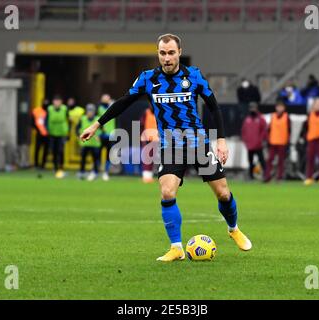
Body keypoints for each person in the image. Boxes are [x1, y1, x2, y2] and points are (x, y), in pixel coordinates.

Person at [80, 33, 252, 262]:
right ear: (158, 54)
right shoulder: (147, 79)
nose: (167, 58)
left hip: (198, 143)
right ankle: (177, 247)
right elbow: (123, 102)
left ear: (179, 52)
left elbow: (214, 108)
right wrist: (96, 124)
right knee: (167, 192)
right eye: (163, 53)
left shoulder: (194, 76)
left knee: (222, 193)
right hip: (171, 146)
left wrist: (220, 140)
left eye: (171, 52)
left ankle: (233, 229)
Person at [264, 100, 290, 182]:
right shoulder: (272, 116)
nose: (279, 108)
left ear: (284, 108)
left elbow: (289, 130)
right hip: (273, 142)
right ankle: (267, 176)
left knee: (281, 161)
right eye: (278, 107)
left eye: (281, 107)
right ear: (276, 108)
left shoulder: (286, 117)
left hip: (282, 142)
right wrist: (268, 139)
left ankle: (280, 177)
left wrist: (288, 141)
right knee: (270, 160)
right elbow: (268, 129)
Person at [241, 102, 267, 180]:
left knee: (262, 161)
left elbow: (264, 130)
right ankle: (251, 176)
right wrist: (246, 140)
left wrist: (261, 140)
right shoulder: (247, 119)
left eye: (254, 108)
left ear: (256, 108)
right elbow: (243, 131)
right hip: (250, 145)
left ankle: (266, 175)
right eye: (251, 108)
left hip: (258, 144)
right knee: (250, 161)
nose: (252, 109)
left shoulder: (260, 119)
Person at [46, 95, 69, 179]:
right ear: (53, 102)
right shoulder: (50, 109)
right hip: (52, 133)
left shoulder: (65, 109)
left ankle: (61, 168)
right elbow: (46, 120)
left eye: (58, 101)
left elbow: (68, 120)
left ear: (61, 102)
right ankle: (55, 168)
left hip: (62, 133)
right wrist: (47, 130)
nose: (57, 103)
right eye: (55, 101)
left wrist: (67, 133)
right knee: (54, 151)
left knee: (60, 151)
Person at [77, 104, 101, 181]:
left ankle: (95, 172)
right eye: (89, 111)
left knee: (96, 159)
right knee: (83, 158)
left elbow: (103, 130)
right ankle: (82, 172)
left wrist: (100, 136)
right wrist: (79, 135)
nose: (90, 112)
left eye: (91, 111)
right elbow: (77, 129)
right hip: (85, 143)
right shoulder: (82, 119)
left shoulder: (98, 119)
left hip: (95, 144)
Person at [97, 94, 116, 181]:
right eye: (104, 98)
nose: (106, 99)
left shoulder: (113, 108)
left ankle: (106, 172)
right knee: (98, 153)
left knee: (109, 154)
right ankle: (96, 171)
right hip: (101, 134)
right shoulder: (99, 108)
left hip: (111, 134)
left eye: (107, 98)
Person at [140, 105, 159, 183]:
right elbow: (141, 124)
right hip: (148, 138)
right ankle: (146, 176)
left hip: (157, 138)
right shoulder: (147, 112)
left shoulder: (159, 112)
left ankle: (150, 176)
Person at [31, 102, 49, 169]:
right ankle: (36, 164)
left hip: (47, 134)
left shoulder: (49, 111)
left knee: (45, 150)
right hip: (39, 133)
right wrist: (36, 129)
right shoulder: (37, 110)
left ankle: (43, 165)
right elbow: (32, 121)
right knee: (37, 149)